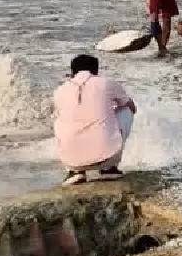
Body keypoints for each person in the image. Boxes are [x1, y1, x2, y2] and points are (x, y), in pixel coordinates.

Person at [53, 54, 137, 185]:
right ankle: (109, 168)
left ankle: (75, 172)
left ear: (72, 72)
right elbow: (132, 106)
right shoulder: (106, 83)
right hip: (108, 156)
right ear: (96, 71)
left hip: (71, 161)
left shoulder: (60, 90)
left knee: (61, 120)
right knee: (126, 110)